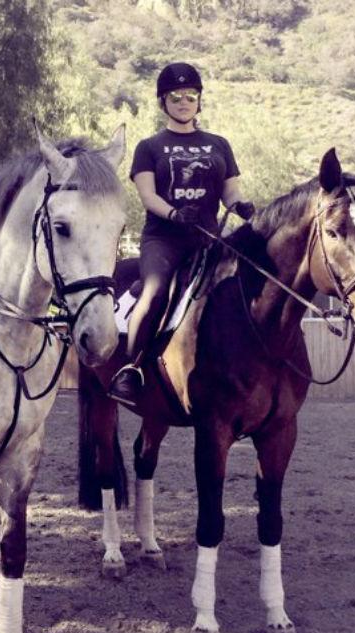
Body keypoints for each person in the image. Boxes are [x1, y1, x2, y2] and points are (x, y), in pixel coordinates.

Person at [108, 62, 254, 407]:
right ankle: (132, 368)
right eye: (175, 97)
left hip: (209, 240)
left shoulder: (219, 144)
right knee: (155, 292)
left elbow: (230, 192)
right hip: (164, 239)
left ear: (199, 100)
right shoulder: (149, 147)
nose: (184, 102)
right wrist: (174, 213)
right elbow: (147, 196)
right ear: (163, 102)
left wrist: (241, 206)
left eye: (190, 96)